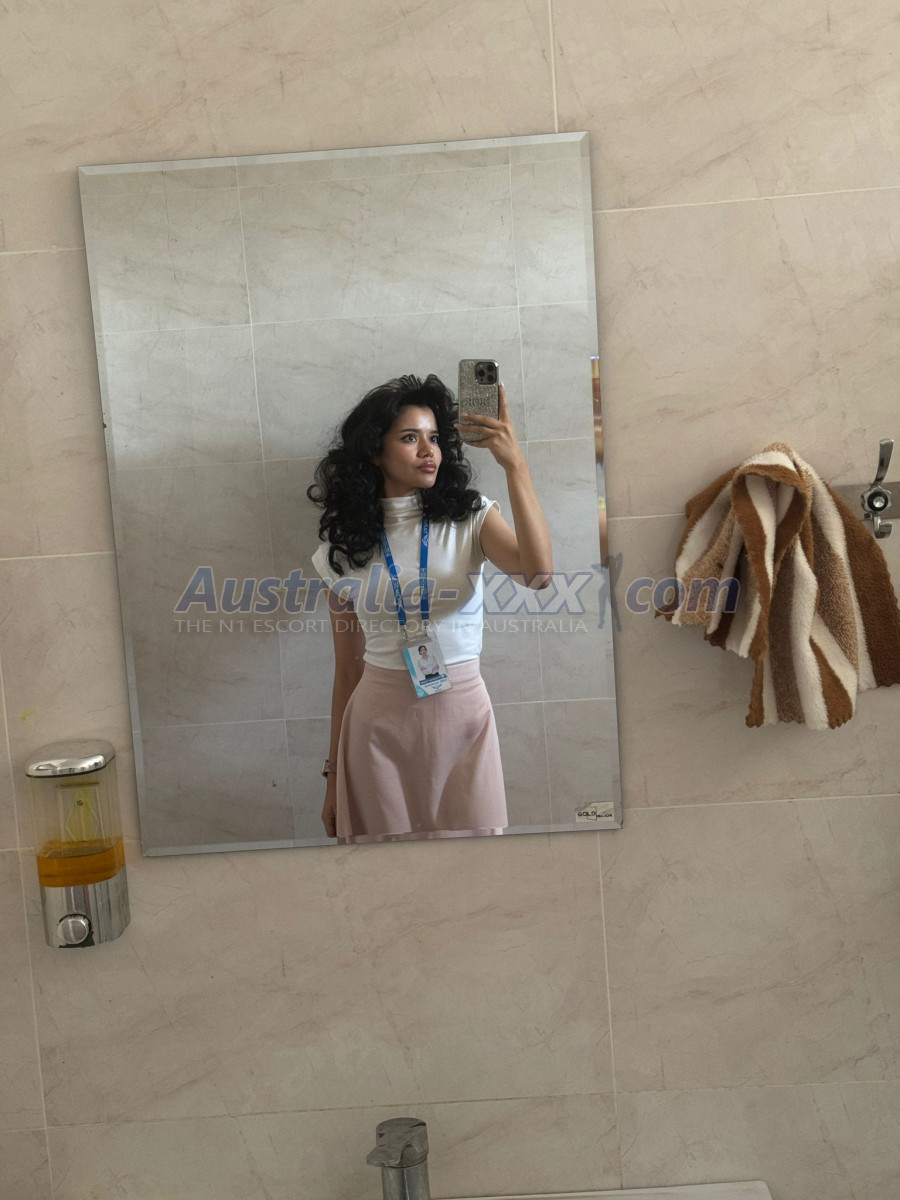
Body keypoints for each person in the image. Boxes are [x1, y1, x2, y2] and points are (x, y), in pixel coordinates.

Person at [307, 373, 553, 843]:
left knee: (474, 868)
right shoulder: (341, 550)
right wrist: (332, 777)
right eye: (410, 438)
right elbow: (347, 671)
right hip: (377, 731)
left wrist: (515, 464)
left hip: (465, 721)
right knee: (388, 875)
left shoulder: (471, 517)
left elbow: (539, 575)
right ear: (375, 452)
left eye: (435, 438)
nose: (429, 451)